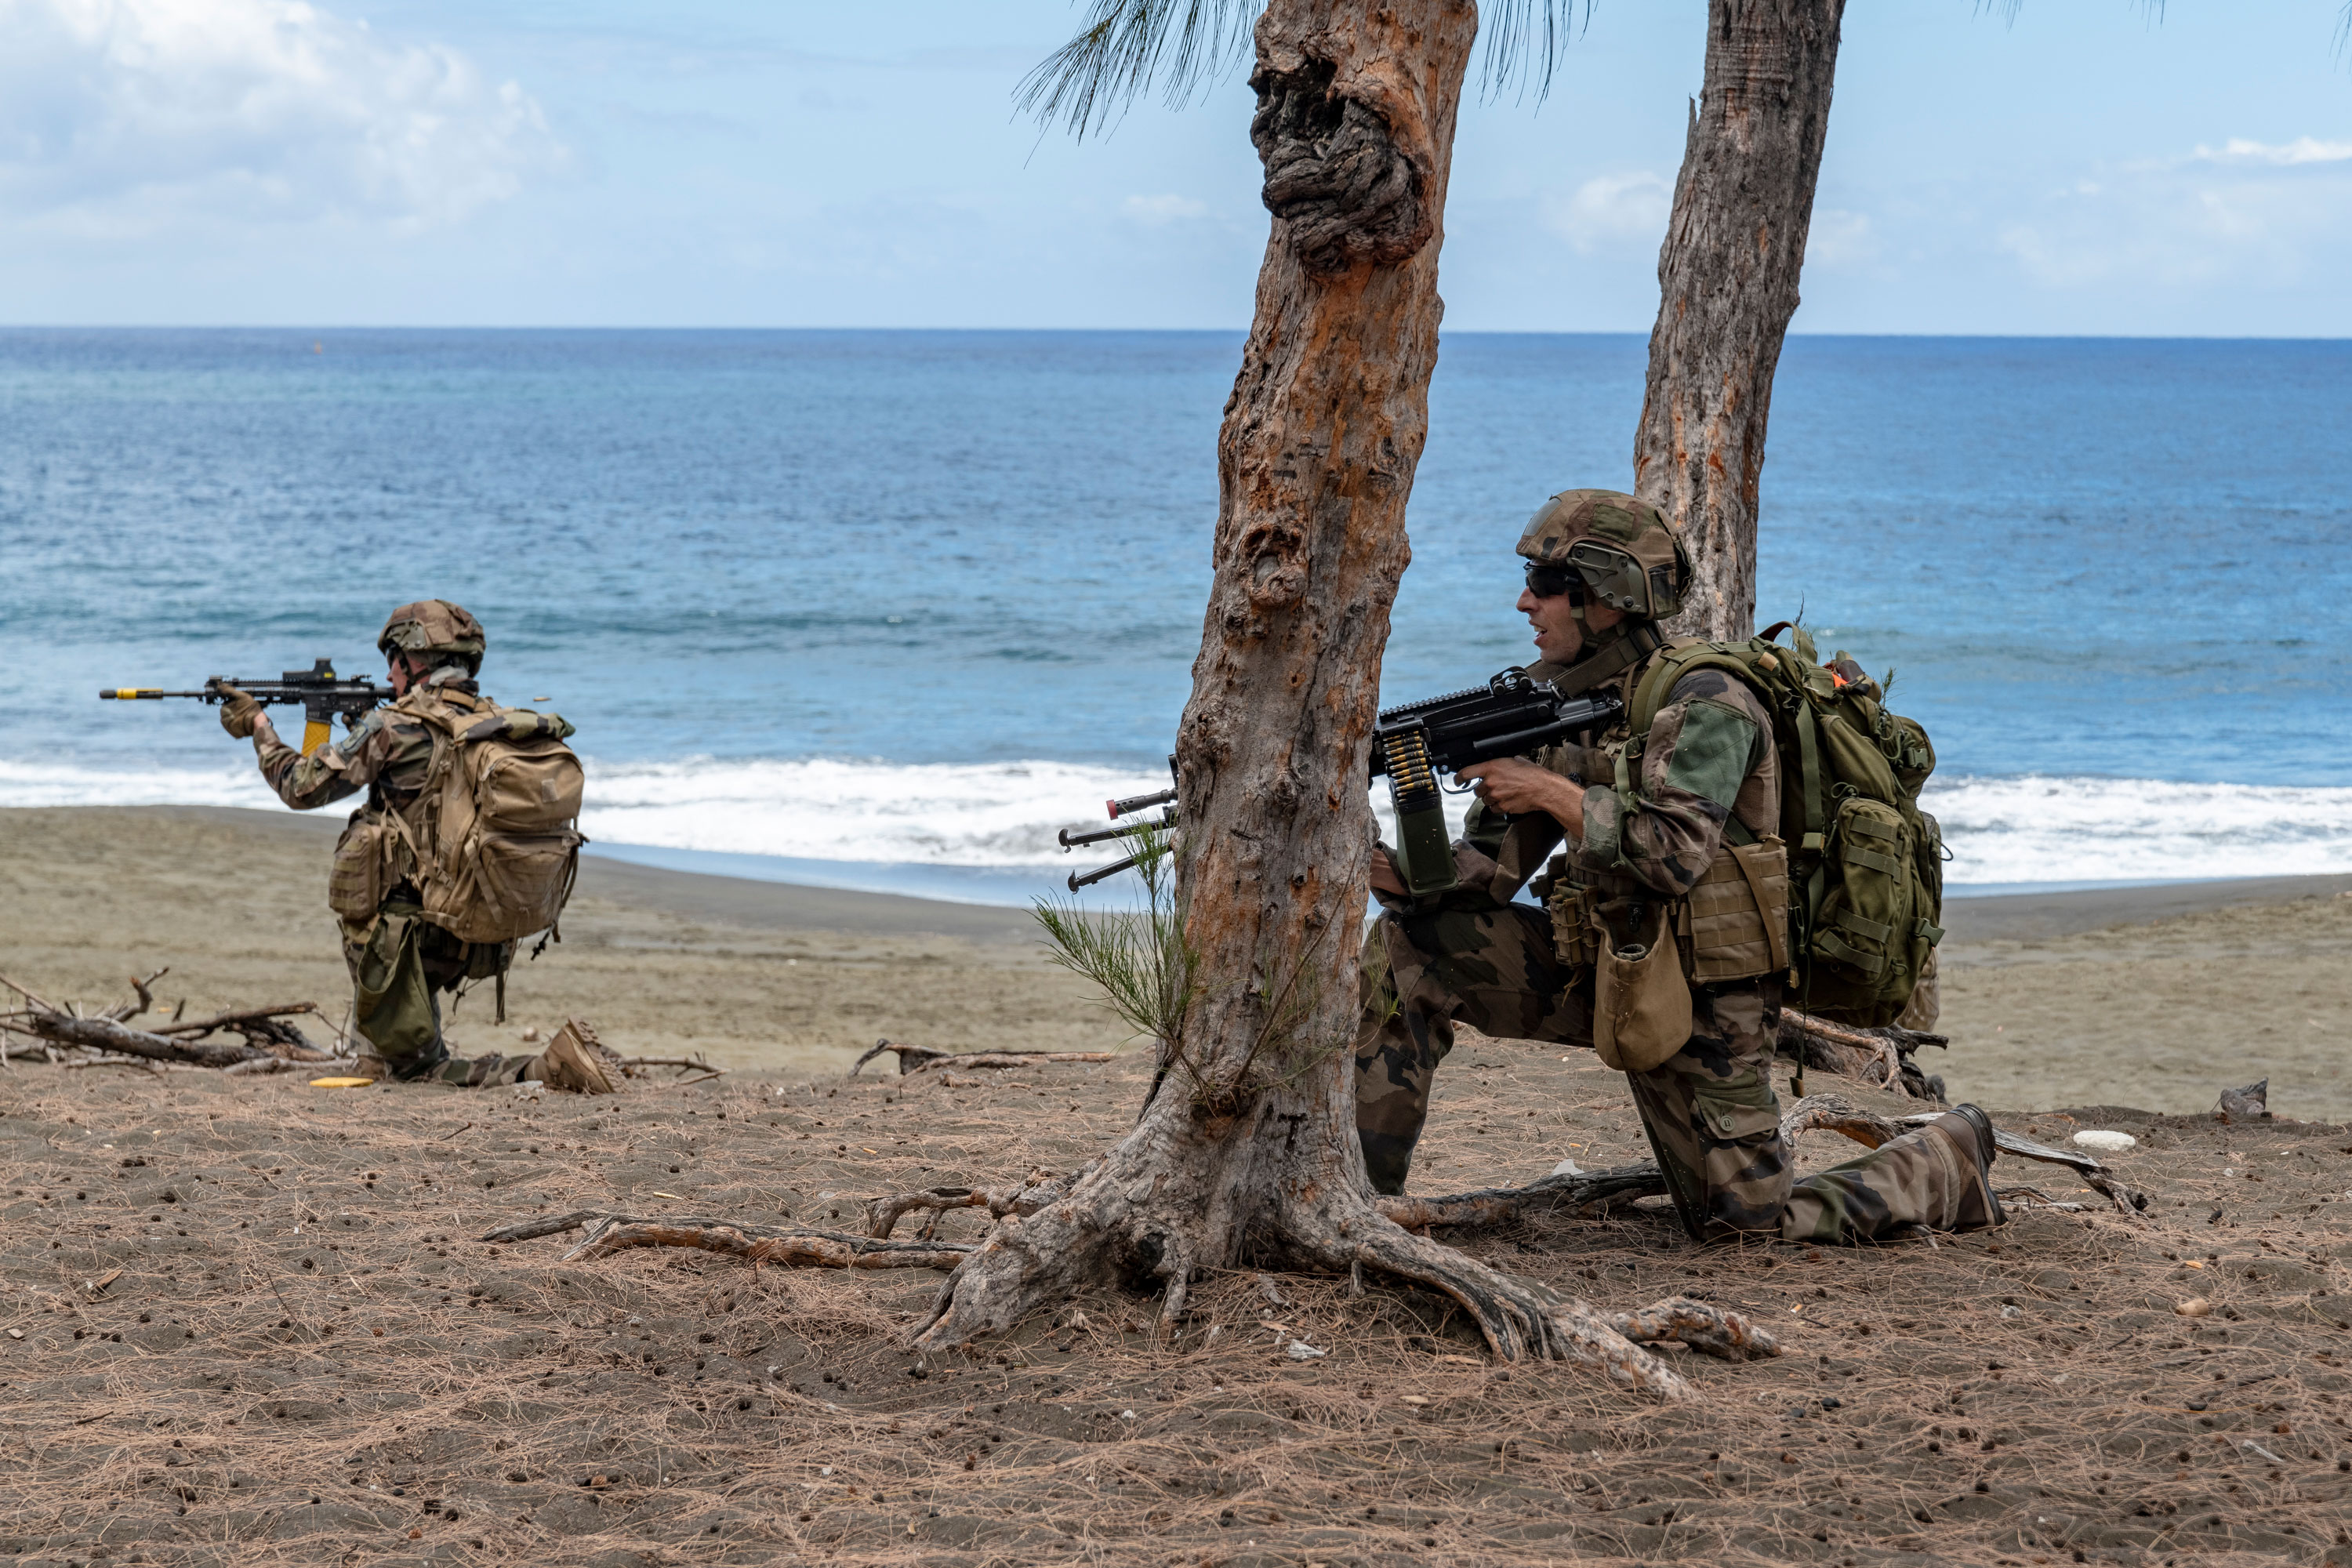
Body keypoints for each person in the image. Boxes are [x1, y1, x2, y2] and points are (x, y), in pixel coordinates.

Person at [1353, 489, 1999, 1245]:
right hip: (1604, 963)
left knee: (1747, 1225)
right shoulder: (1554, 704)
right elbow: (1487, 873)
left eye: (1545, 587)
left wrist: (1553, 793)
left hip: (1705, 997)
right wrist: (1382, 868)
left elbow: (1673, 853)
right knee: (1413, 949)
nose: (1525, 603)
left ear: (1605, 600)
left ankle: (1945, 1156)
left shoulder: (1709, 702)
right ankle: (1361, 1199)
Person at [217, 600, 613, 1092]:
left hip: (407, 935)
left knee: (411, 1072)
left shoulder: (392, 728)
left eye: (394, 661)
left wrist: (259, 727)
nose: (389, 673)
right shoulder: (492, 723)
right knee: (403, 1055)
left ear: (414, 660)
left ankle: (543, 1068)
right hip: (479, 928)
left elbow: (301, 786)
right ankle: (405, 1046)